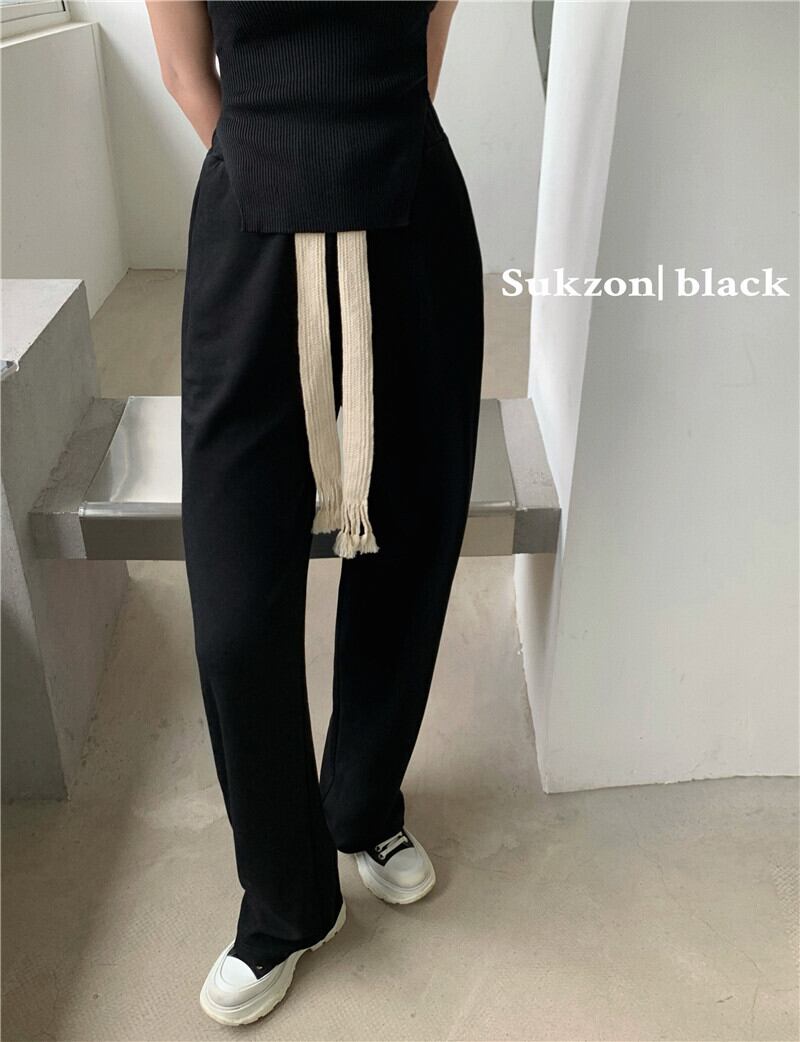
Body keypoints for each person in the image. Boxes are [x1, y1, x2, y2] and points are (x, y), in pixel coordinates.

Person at [145, 0, 483, 1026]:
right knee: (235, 608)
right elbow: (185, 73)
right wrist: (280, 169)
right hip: (250, 224)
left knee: (409, 541)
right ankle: (288, 897)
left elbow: (423, 56)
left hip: (411, 217)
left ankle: (363, 801)